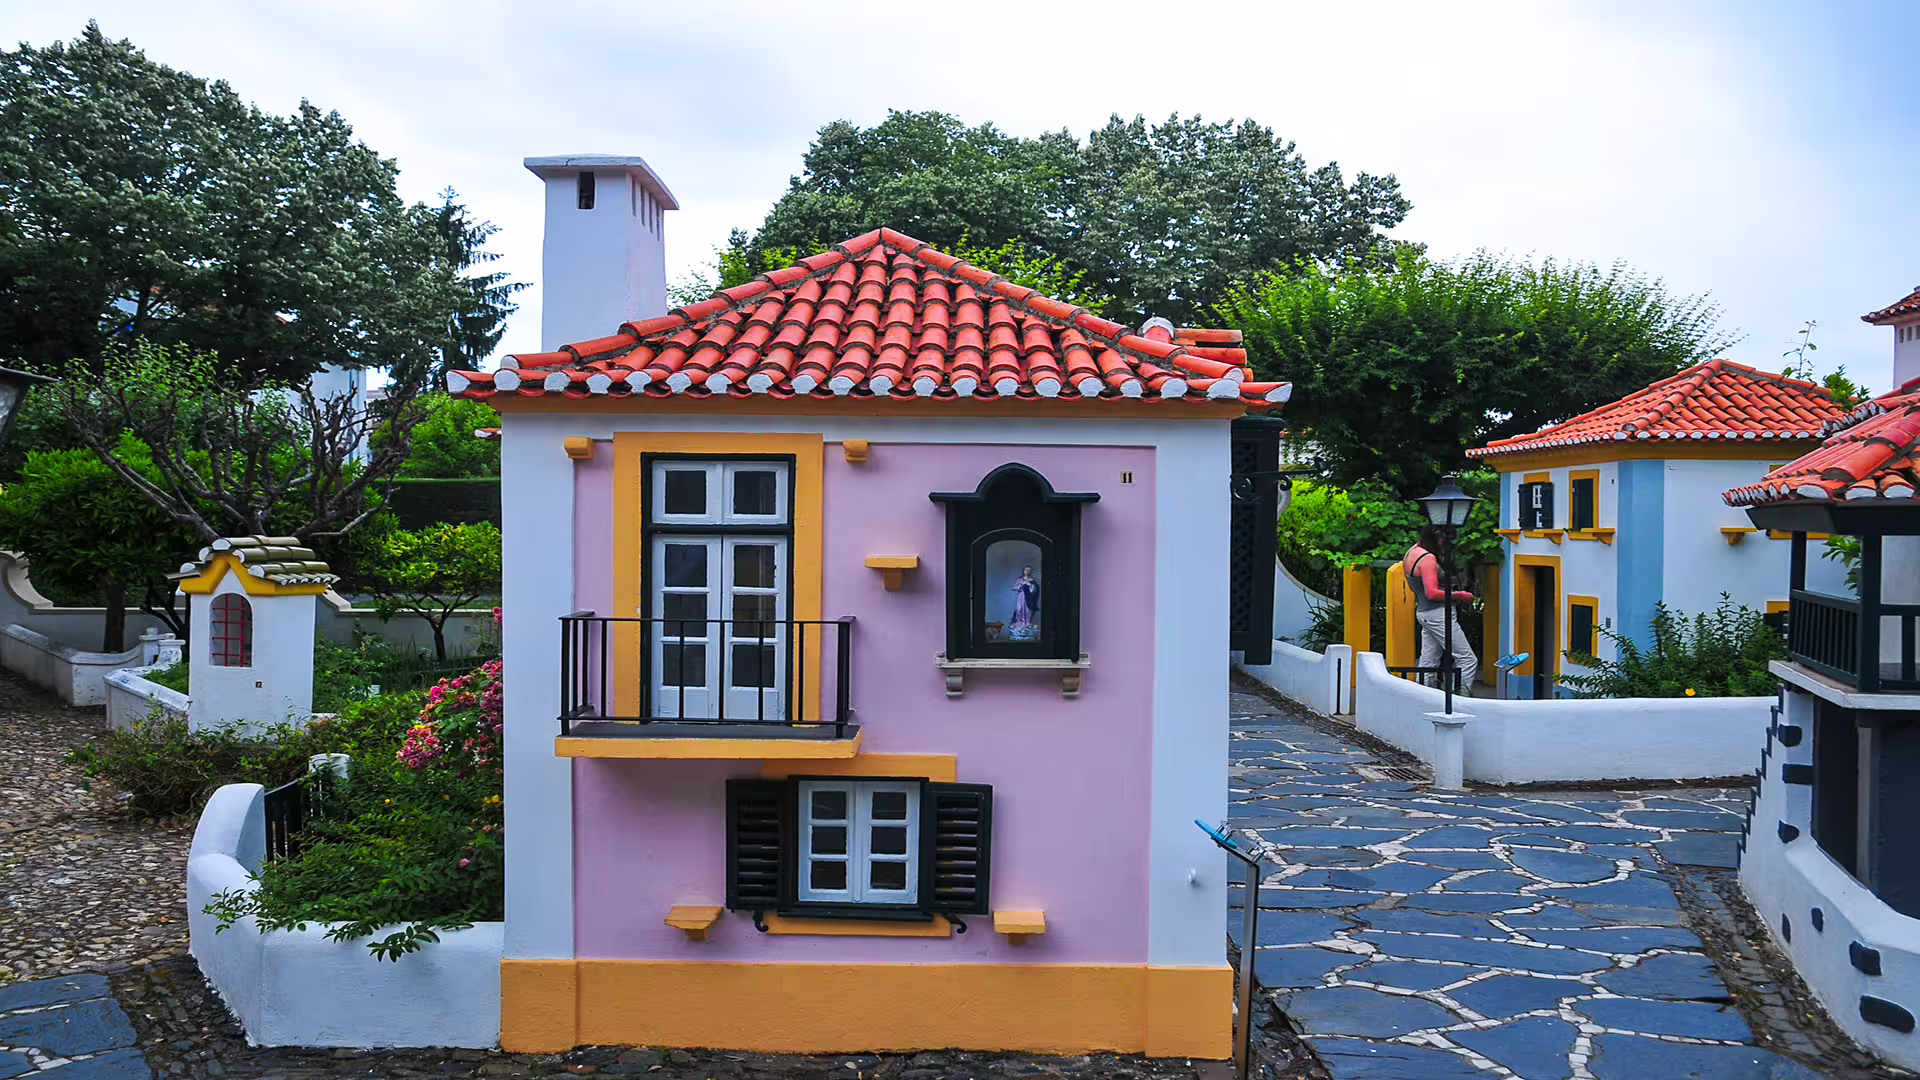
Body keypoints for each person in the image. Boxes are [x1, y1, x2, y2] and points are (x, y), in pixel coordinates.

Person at [1403, 526, 1479, 693]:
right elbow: (1432, 592)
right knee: (1467, 659)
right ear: (1436, 538)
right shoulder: (1428, 559)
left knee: (1428, 661)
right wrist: (1460, 595)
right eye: (1443, 540)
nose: (1444, 544)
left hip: (1424, 613)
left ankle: (1421, 698)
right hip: (1439, 614)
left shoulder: (1412, 551)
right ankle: (1458, 700)